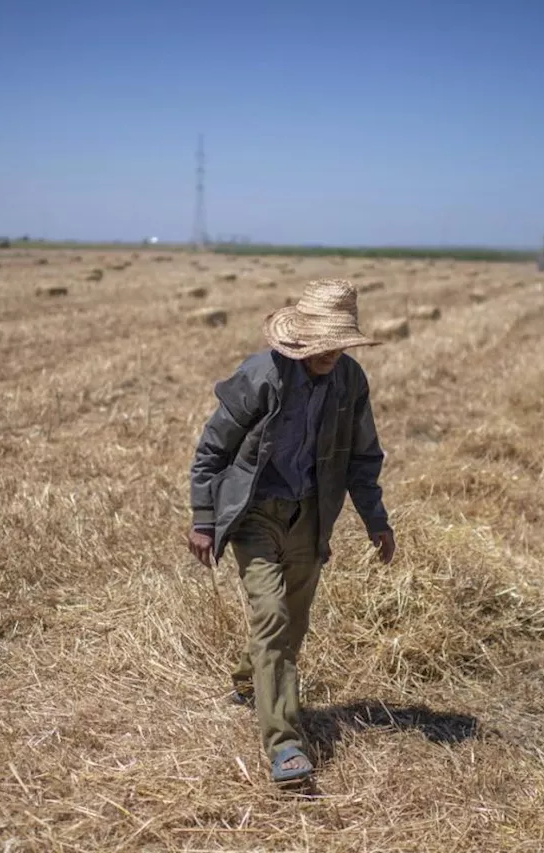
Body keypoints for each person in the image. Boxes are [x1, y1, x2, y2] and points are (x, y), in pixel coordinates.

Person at [187, 278, 397, 785]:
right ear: (299, 338)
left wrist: (377, 520)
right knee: (273, 616)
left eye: (337, 345)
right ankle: (284, 744)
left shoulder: (351, 382)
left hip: (310, 514)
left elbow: (363, 458)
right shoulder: (261, 376)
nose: (329, 355)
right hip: (254, 514)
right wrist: (203, 518)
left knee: (290, 624)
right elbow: (213, 449)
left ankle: (248, 680)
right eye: (320, 345)